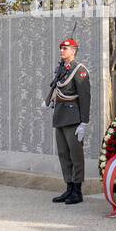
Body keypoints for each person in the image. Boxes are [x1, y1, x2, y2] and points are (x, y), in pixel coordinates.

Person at [45, 38, 90, 205]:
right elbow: (56, 87)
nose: (62, 51)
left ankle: (77, 191)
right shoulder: (61, 69)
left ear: (73, 51)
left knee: (75, 155)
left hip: (73, 118)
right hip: (60, 116)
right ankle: (69, 187)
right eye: (61, 48)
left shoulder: (80, 70)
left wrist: (84, 122)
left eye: (65, 48)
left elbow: (85, 98)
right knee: (63, 154)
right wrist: (47, 101)